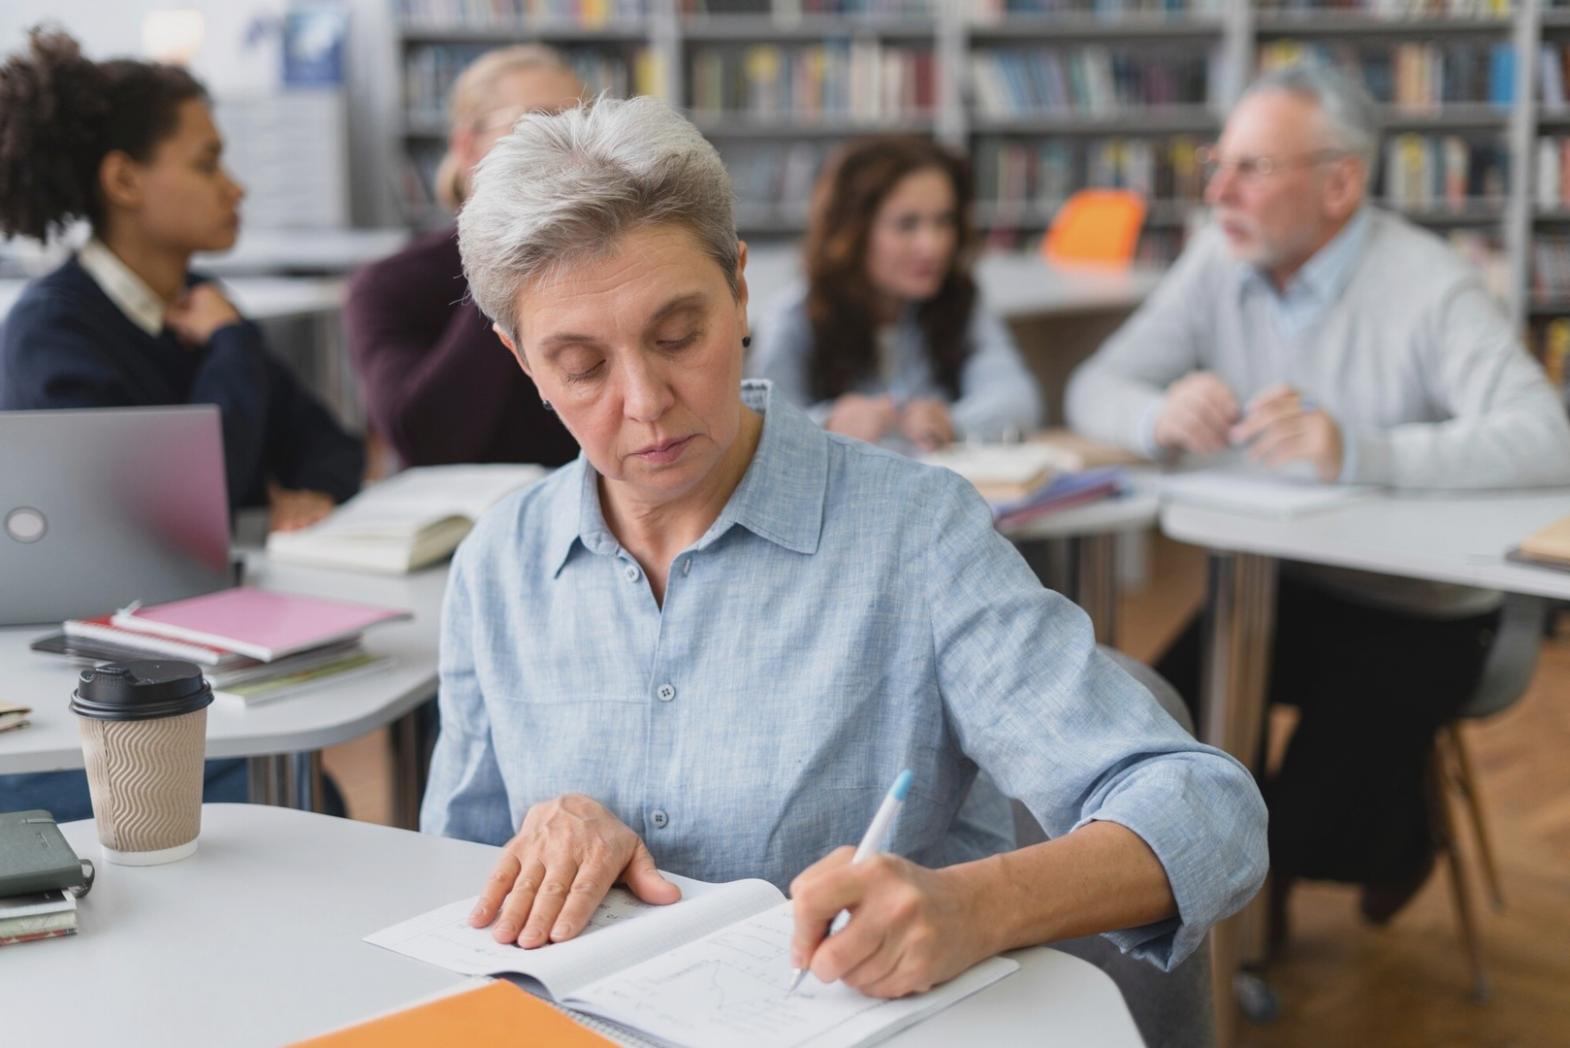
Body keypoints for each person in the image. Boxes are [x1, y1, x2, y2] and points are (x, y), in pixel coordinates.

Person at [421, 94, 1266, 996]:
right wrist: (543, 839)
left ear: (741, 290)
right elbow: (442, 887)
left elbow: (1209, 814)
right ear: (520, 359)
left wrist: (973, 905)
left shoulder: (915, 537)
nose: (643, 402)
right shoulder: (499, 565)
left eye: (679, 335)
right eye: (581, 365)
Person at [1065, 66, 1570, 935]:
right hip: (1281, 589)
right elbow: (1093, 384)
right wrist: (1157, 412)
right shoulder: (1219, 256)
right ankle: (1247, 941)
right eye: (1218, 162)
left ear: (1341, 183)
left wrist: (1363, 452)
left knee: (1307, 825)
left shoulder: (1429, 282)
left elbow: (1544, 435)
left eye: (1252, 168)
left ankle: (1383, 852)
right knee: (1159, 736)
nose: (1218, 188)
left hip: (1425, 610)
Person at [0, 28, 363, 818]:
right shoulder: (53, 333)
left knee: (309, 800)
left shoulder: (200, 306)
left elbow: (332, 450)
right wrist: (231, 348)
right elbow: (170, 524)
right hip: (92, 704)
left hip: (198, 660)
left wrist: (302, 488)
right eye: (206, 163)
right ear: (125, 180)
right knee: (299, 806)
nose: (235, 188)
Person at [345, 45, 583, 468]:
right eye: (537, 124)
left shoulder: (601, 268)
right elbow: (422, 440)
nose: (565, 148)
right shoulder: (388, 285)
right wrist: (508, 254)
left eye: (578, 125)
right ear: (468, 146)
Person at [750, 137, 1040, 451]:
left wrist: (953, 422)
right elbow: (759, 425)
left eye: (944, 221)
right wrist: (828, 422)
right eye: (907, 224)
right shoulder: (794, 315)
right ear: (853, 232)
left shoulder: (960, 298)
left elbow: (1019, 400)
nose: (933, 245)